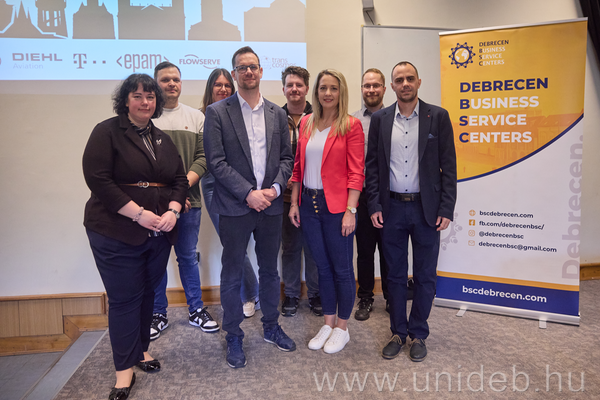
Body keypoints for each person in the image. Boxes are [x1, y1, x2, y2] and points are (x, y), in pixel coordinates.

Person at [82, 73, 188, 400]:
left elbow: (179, 180)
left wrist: (173, 211)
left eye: (150, 97)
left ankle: (141, 350)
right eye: (138, 96)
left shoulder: (160, 138)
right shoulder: (106, 132)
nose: (145, 102)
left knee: (146, 294)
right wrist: (139, 214)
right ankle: (123, 372)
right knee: (125, 299)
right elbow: (98, 180)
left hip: (158, 232)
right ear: (125, 101)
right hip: (115, 231)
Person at [204, 46, 295, 368]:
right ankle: (233, 335)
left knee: (270, 271)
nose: (248, 72)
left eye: (253, 66)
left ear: (261, 71)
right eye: (242, 67)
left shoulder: (277, 113)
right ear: (234, 74)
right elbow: (216, 162)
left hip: (270, 205)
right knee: (232, 274)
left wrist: (274, 188)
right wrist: (248, 193)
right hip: (235, 207)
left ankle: (271, 326)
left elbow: (287, 158)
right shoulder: (217, 112)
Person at [365, 61, 457, 362]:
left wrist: (447, 207)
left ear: (418, 82)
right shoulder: (380, 119)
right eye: (399, 80)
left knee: (425, 275)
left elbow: (449, 167)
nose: (404, 84)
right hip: (391, 208)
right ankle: (397, 332)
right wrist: (374, 204)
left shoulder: (438, 117)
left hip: (425, 210)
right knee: (393, 275)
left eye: (409, 78)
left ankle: (418, 333)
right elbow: (372, 167)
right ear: (391, 86)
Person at [289, 69, 364, 354]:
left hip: (337, 208)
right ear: (316, 92)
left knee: (342, 269)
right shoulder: (307, 122)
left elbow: (356, 172)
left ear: (341, 92)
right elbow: (298, 168)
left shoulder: (351, 125)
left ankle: (342, 328)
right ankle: (328, 323)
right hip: (309, 205)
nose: (328, 93)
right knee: (322, 268)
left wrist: (351, 210)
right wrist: (294, 202)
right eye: (323, 88)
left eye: (333, 88)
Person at [149, 62, 219, 341]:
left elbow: (203, 158)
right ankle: (158, 313)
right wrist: (171, 196)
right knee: (156, 259)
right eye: (165, 79)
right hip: (155, 206)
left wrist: (179, 193)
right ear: (156, 84)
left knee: (188, 257)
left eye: (176, 79)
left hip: (191, 203)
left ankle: (196, 310)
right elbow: (143, 165)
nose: (171, 84)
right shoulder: (147, 118)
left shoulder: (196, 116)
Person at [200, 68, 261, 318]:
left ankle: (250, 293)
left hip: (238, 184)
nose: (223, 89)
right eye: (218, 85)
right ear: (210, 89)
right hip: (212, 184)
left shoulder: (239, 113)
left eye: (227, 85)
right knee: (230, 242)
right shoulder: (203, 116)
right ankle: (251, 292)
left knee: (238, 242)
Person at [280, 66, 321, 317]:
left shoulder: (320, 116)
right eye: (289, 85)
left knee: (314, 247)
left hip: (313, 194)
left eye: (299, 85)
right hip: (284, 197)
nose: (294, 89)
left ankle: (315, 294)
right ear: (283, 88)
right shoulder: (275, 117)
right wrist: (281, 179)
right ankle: (292, 294)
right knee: (291, 248)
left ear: (307, 88)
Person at [351, 68, 389, 321]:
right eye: (367, 85)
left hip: (389, 196)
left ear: (384, 89)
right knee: (364, 251)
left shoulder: (396, 118)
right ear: (362, 89)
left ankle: (391, 296)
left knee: (389, 250)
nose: (371, 90)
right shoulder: (352, 121)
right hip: (362, 196)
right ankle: (365, 297)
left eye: (376, 85)